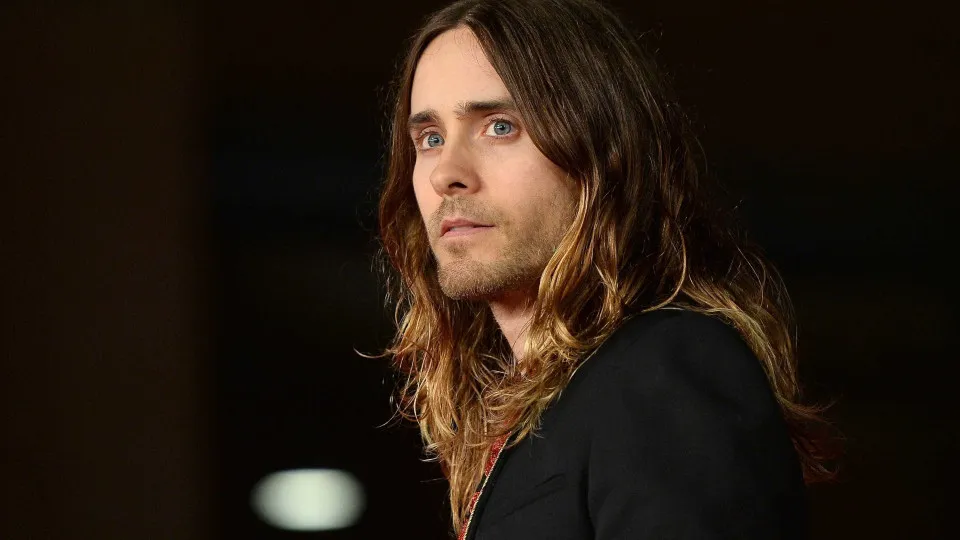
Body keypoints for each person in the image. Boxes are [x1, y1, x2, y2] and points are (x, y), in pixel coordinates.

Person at [376, 0, 838, 538]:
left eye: (500, 126)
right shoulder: (538, 414)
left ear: (601, 151)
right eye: (430, 139)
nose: (446, 174)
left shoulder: (663, 369)